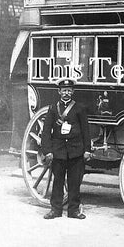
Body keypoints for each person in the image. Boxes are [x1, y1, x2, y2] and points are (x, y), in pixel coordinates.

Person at [41, 79, 92, 220]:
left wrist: (87, 150)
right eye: (64, 90)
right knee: (58, 182)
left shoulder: (79, 108)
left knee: (74, 182)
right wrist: (48, 151)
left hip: (76, 151)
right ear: (59, 92)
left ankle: (73, 211)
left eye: (69, 90)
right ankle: (55, 210)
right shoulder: (53, 109)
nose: (66, 93)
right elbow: (46, 132)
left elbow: (85, 131)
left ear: (73, 92)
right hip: (59, 152)